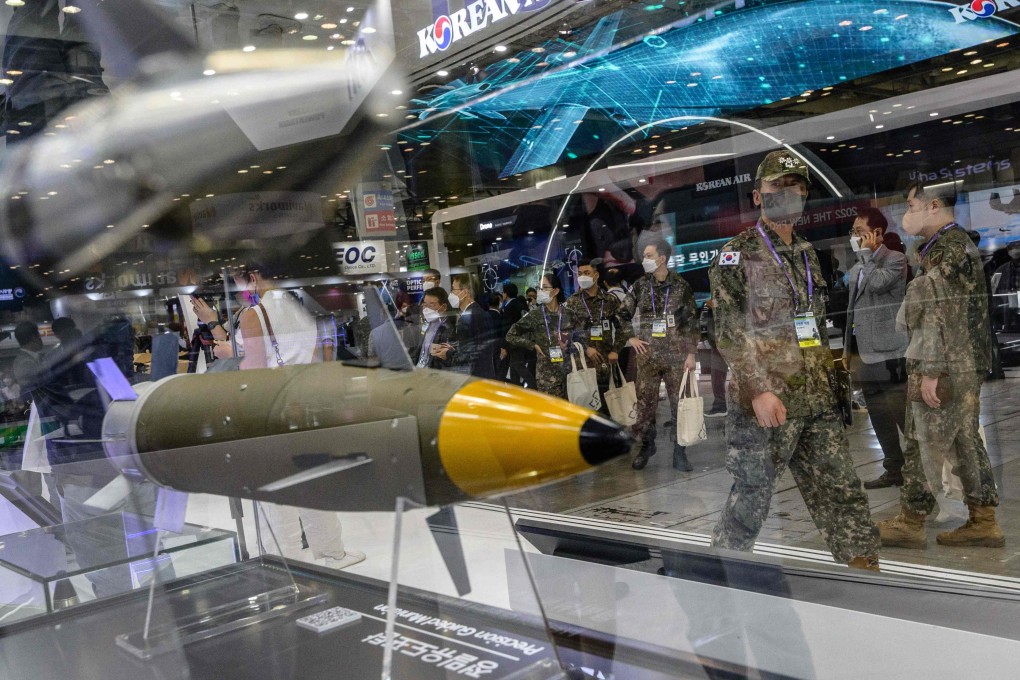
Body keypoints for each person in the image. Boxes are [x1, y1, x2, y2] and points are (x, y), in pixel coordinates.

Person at [709, 150, 879, 570]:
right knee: (753, 494)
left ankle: (864, 567)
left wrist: (836, 381)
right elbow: (730, 332)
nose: (788, 195)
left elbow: (814, 326)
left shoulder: (806, 252)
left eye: (796, 188)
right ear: (757, 196)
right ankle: (720, 569)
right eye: (777, 188)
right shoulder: (736, 255)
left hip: (816, 397)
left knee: (842, 487)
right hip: (769, 402)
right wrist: (757, 391)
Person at [878, 180, 1003, 549]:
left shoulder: (949, 250)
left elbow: (940, 315)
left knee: (922, 440)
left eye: (912, 204)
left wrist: (931, 370)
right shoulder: (945, 246)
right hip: (959, 361)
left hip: (945, 362)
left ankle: (910, 521)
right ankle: (984, 520)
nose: (907, 213)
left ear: (933, 206)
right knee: (964, 442)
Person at [231, 262, 365, 569]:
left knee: (275, 490)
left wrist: (232, 358)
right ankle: (332, 553)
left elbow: (254, 373)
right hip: (306, 406)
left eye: (240, 282)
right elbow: (319, 358)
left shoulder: (255, 315)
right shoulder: (304, 308)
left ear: (253, 277)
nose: (239, 291)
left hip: (271, 411)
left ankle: (283, 560)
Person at [618, 239, 699, 471]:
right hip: (648, 357)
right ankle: (646, 445)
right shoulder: (641, 285)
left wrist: (691, 354)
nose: (645, 260)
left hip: (676, 357)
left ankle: (679, 451)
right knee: (645, 406)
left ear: (662, 258)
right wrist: (630, 338)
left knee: (678, 405)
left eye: (649, 255)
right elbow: (622, 314)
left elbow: (690, 322)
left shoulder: (681, 285)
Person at [844, 207, 910, 490]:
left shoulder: (896, 259)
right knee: (878, 416)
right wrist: (848, 348)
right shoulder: (858, 266)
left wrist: (867, 256)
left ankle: (921, 471)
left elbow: (880, 284)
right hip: (864, 353)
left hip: (891, 353)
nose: (855, 237)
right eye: (853, 232)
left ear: (877, 234)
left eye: (860, 232)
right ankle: (893, 468)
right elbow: (851, 310)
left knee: (902, 415)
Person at [563, 258, 629, 416]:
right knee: (586, 410)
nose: (582, 277)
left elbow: (624, 327)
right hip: (582, 365)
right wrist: (586, 348)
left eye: (587, 273)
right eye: (579, 274)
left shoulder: (609, 300)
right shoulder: (572, 302)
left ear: (596, 275)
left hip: (605, 362)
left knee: (608, 409)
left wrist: (616, 350)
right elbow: (566, 332)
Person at [505, 271, 583, 399]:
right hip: (547, 376)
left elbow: (581, 337)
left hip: (570, 373)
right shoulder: (535, 315)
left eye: (545, 287)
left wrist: (571, 344)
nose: (540, 291)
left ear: (556, 291)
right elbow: (511, 335)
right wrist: (532, 345)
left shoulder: (569, 313)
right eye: (539, 288)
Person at [444, 273, 497, 378]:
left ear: (465, 292)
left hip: (474, 376)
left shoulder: (468, 318)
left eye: (453, 290)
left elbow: (468, 355)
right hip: (484, 374)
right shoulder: (478, 312)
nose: (451, 294)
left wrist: (448, 353)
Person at [498, 283, 533, 386]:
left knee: (517, 365)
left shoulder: (510, 307)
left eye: (503, 292)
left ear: (506, 293)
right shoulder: (519, 304)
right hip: (521, 341)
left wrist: (504, 345)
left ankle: (534, 386)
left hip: (515, 342)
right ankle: (516, 389)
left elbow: (507, 328)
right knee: (514, 367)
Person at [412, 286, 455, 369]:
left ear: (443, 307)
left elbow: (446, 362)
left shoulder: (448, 329)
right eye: (425, 304)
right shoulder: (425, 324)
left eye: (431, 305)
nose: (426, 309)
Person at [700, 297, 728, 417]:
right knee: (717, 374)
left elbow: (705, 322)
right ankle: (720, 405)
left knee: (717, 374)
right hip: (719, 341)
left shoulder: (709, 303)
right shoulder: (709, 303)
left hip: (721, 342)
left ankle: (720, 406)